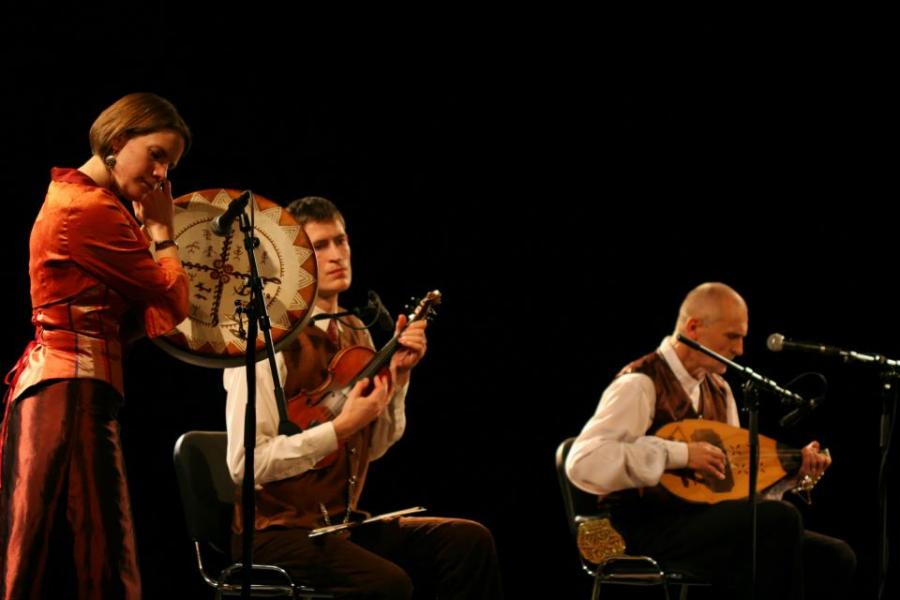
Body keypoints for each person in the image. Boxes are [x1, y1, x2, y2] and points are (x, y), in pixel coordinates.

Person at [223, 196, 502, 599]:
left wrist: (399, 379)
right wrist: (340, 428)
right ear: (295, 258)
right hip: (274, 534)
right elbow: (245, 464)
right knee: (387, 583)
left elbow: (373, 447)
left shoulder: (356, 330)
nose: (337, 255)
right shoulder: (268, 342)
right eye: (320, 246)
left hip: (338, 525)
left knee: (467, 541)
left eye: (341, 241)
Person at [0, 93, 191, 598]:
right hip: (71, 390)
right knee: (100, 556)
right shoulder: (89, 209)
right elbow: (171, 296)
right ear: (118, 139)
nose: (161, 175)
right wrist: (161, 231)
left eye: (169, 166)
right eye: (156, 155)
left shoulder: (85, 200)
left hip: (70, 388)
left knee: (80, 551)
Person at [565, 282, 855, 600]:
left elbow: (731, 483)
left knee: (834, 556)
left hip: (700, 523)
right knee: (777, 522)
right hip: (642, 528)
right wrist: (680, 454)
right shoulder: (640, 383)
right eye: (732, 336)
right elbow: (582, 461)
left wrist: (790, 474)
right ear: (693, 328)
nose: (740, 350)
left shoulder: (719, 389)